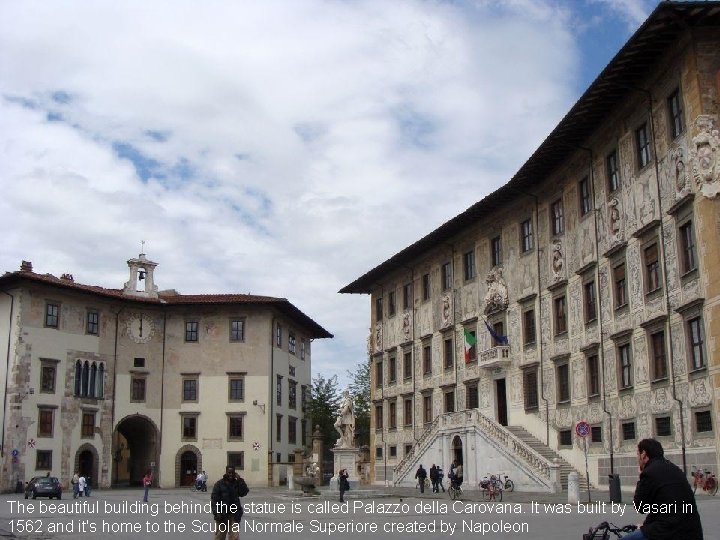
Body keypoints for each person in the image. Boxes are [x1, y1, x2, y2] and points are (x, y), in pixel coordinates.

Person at [623, 439, 703, 540]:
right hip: (692, 531)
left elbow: (640, 506)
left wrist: (640, 477)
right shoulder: (675, 468)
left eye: (637, 454)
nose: (637, 458)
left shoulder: (649, 472)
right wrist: (645, 525)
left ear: (643, 454)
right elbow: (662, 505)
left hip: (669, 532)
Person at [211, 465, 246, 540]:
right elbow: (214, 500)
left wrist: (240, 480)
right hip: (222, 515)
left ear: (235, 473)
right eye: (229, 472)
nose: (231, 474)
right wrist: (217, 513)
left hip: (234, 514)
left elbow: (244, 492)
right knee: (219, 537)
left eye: (232, 473)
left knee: (234, 537)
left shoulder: (237, 483)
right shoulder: (219, 484)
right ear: (226, 472)